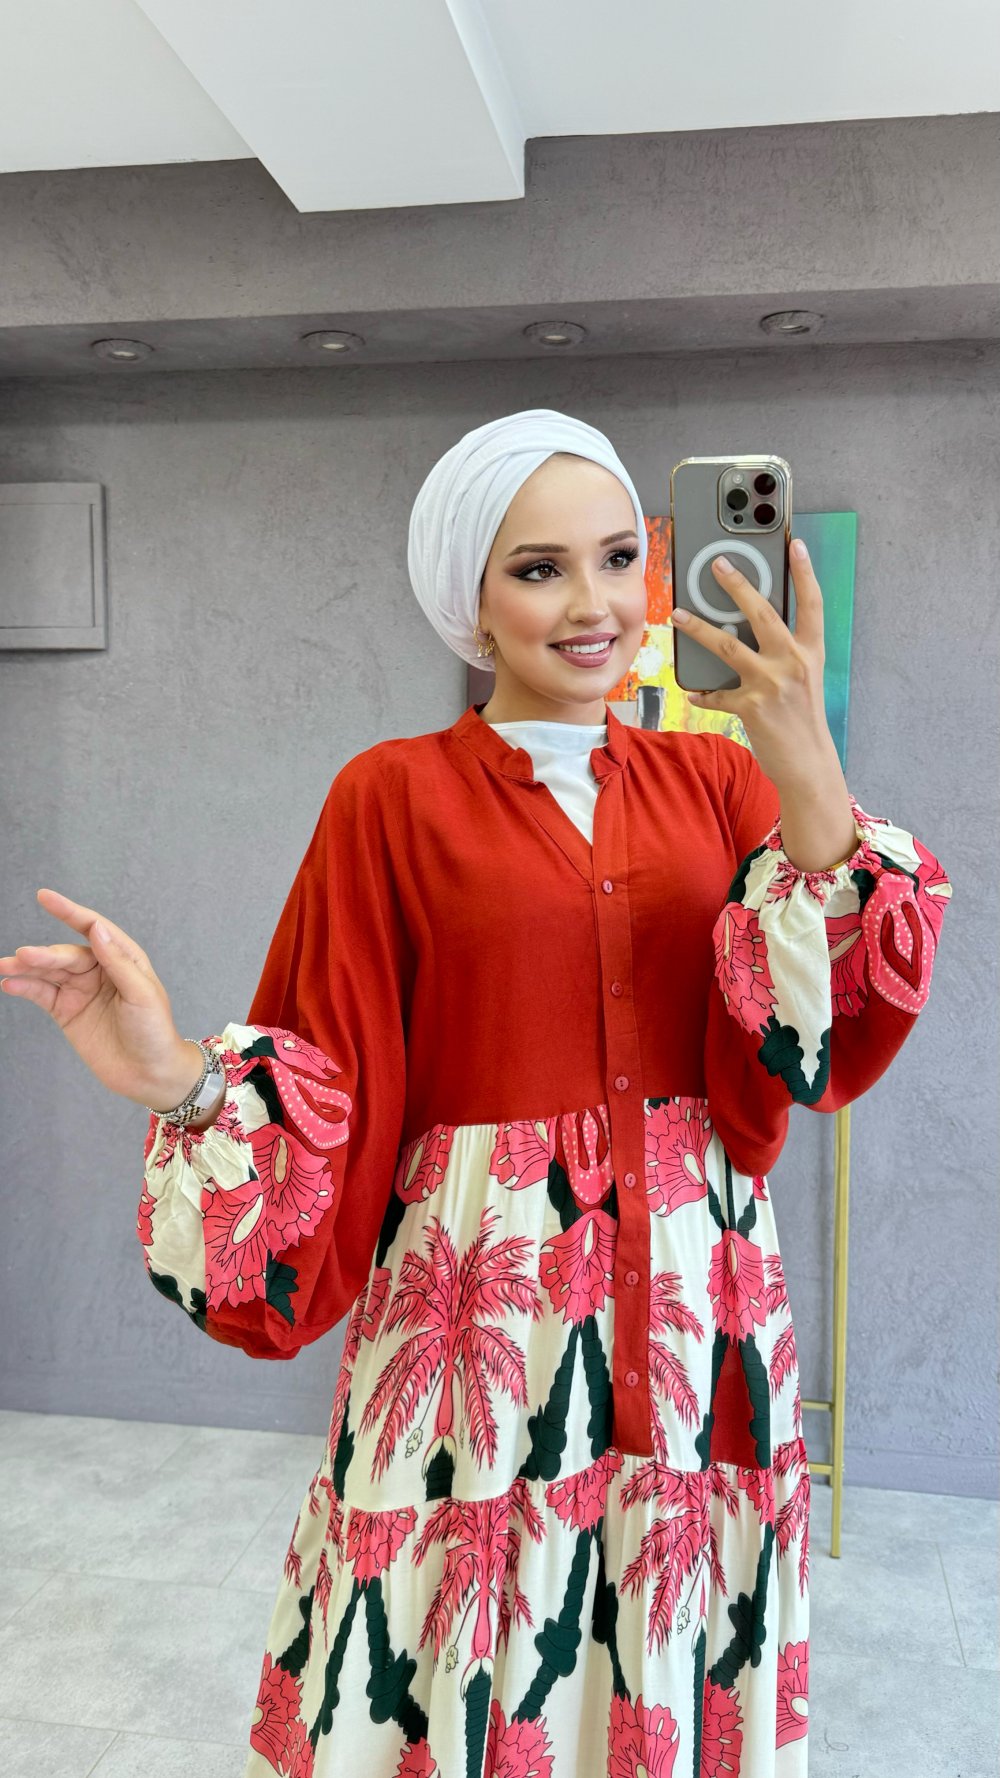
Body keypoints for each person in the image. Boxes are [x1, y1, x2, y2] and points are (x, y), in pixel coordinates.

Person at [0, 409, 953, 1778]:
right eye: (540, 569)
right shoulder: (388, 798)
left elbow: (822, 1034)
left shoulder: (719, 776)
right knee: (456, 1653)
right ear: (473, 601)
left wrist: (807, 766)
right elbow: (325, 1066)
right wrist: (183, 1078)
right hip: (477, 1314)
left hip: (699, 1305)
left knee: (666, 1634)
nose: (596, 604)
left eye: (619, 557)